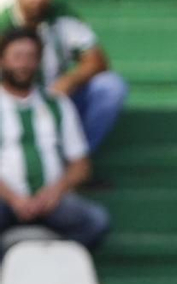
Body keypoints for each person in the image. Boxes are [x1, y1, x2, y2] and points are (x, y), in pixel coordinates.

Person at [0, 0, 127, 154]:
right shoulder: (3, 24)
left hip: (58, 99)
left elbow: (98, 60)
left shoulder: (63, 16)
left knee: (111, 86)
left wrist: (69, 81)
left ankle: (75, 162)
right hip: (13, 107)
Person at [0, 28, 110, 250]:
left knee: (96, 222)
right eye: (17, 57)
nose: (23, 64)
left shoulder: (56, 103)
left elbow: (81, 166)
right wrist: (15, 199)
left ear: (39, 61)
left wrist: (54, 192)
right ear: (3, 60)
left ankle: (53, 265)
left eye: (30, 57)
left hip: (51, 201)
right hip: (5, 200)